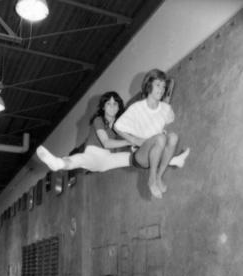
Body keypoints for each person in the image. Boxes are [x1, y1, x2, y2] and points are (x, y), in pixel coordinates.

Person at [36, 91, 189, 173]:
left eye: (115, 104)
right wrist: (131, 141)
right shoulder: (98, 120)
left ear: (119, 107)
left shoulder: (121, 124)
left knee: (141, 158)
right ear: (103, 107)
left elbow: (139, 136)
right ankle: (59, 163)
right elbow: (107, 143)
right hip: (93, 155)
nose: (112, 107)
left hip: (108, 159)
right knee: (80, 159)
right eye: (108, 104)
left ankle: (176, 161)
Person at [115, 68, 183, 199]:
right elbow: (117, 127)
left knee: (173, 137)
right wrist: (134, 140)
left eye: (164, 86)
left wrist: (163, 107)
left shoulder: (166, 108)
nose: (162, 89)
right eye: (158, 85)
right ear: (148, 85)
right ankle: (151, 179)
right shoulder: (136, 108)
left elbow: (167, 119)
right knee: (161, 138)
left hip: (158, 151)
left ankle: (158, 177)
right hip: (141, 156)